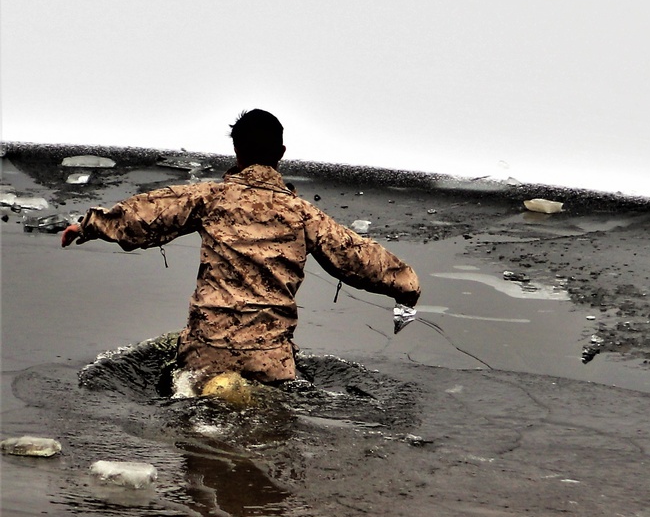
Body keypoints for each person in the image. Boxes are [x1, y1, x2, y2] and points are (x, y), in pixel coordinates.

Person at [61, 109, 420, 385]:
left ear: (236, 151)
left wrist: (89, 225)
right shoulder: (303, 215)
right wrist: (406, 286)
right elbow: (356, 258)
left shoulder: (211, 198)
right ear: (281, 152)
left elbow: (146, 216)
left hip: (206, 355)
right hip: (269, 361)